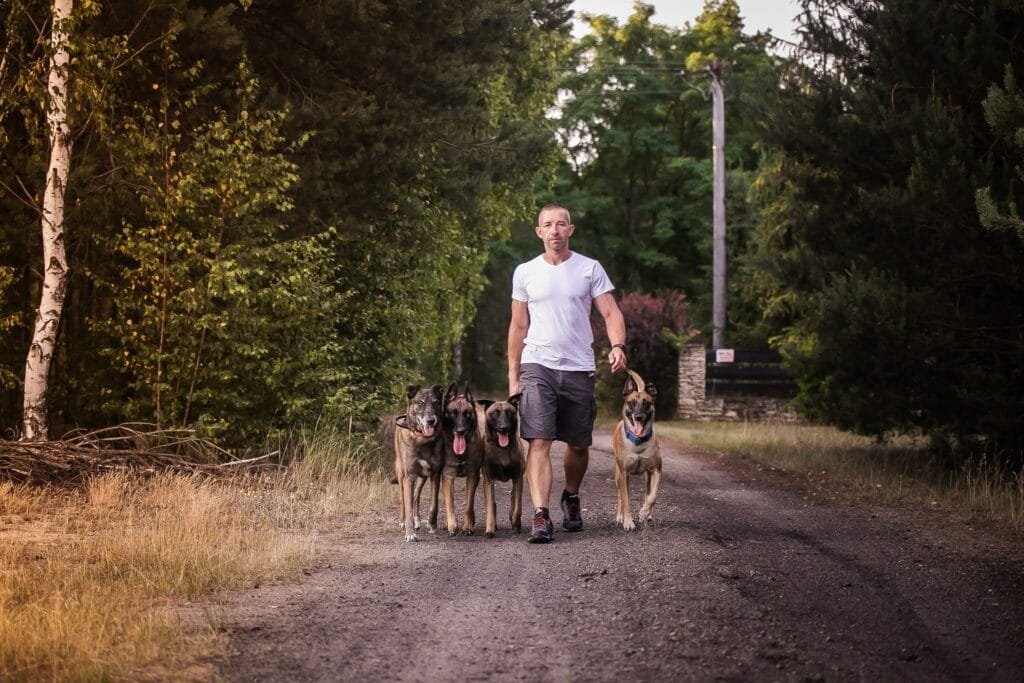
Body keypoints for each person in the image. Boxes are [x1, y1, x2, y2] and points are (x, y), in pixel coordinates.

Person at [507, 203, 627, 544]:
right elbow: (517, 326)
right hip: (537, 364)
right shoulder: (525, 272)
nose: (555, 230)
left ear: (570, 230)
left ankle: (571, 496)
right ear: (539, 232)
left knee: (577, 442)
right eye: (548, 224)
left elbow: (611, 312)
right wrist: (514, 376)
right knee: (539, 440)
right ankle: (541, 514)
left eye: (561, 224)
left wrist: (618, 346)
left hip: (578, 366)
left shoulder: (590, 269)